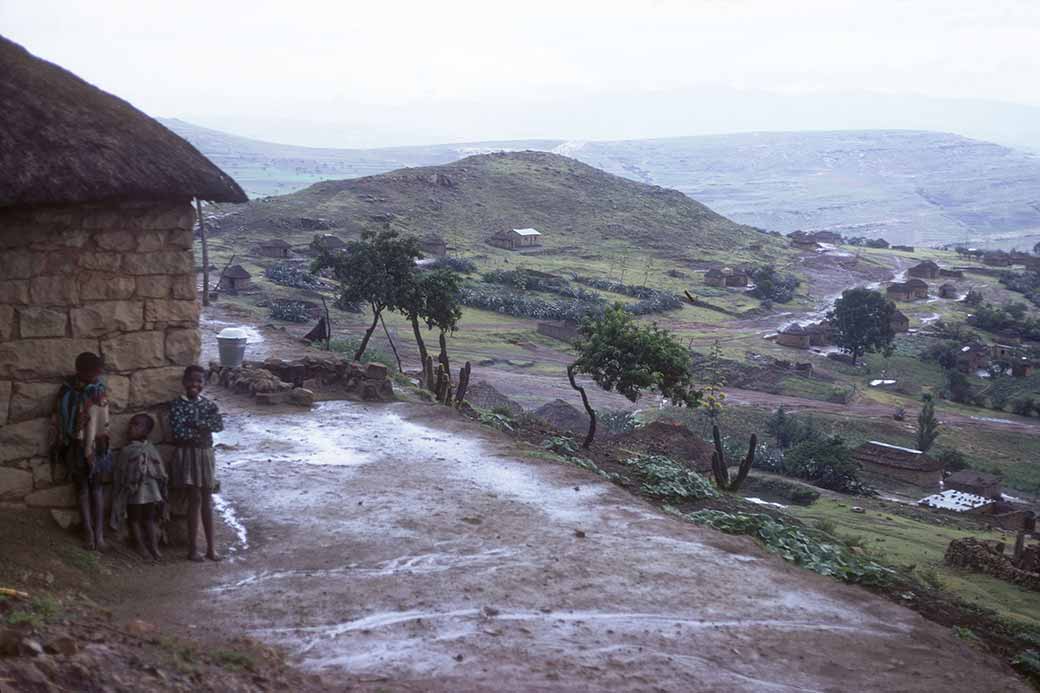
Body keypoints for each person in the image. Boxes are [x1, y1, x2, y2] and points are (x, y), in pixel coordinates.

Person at [54, 352, 111, 550]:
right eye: (93, 373)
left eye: (98, 373)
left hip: (97, 446)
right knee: (82, 489)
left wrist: (98, 442)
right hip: (76, 446)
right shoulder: (68, 391)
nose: (97, 376)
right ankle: (88, 531)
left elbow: (103, 417)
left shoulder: (99, 390)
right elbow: (63, 416)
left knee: (97, 488)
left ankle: (99, 533)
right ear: (81, 371)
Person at [168, 365, 224, 562]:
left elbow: (219, 425)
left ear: (204, 384)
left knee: (207, 500)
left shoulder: (209, 405)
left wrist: (194, 424)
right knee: (195, 499)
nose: (195, 384)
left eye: (199, 381)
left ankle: (211, 548)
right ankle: (193, 548)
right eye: (191, 380)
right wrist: (202, 427)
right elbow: (179, 433)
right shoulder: (177, 405)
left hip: (205, 454)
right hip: (188, 455)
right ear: (184, 383)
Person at [111, 414, 167, 562]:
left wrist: (162, 482)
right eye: (131, 425)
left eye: (136, 425)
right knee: (134, 518)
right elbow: (120, 472)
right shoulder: (127, 451)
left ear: (146, 431)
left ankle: (154, 547)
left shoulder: (150, 448)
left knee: (149, 518)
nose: (131, 428)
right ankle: (141, 546)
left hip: (150, 490)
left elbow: (158, 468)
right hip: (133, 490)